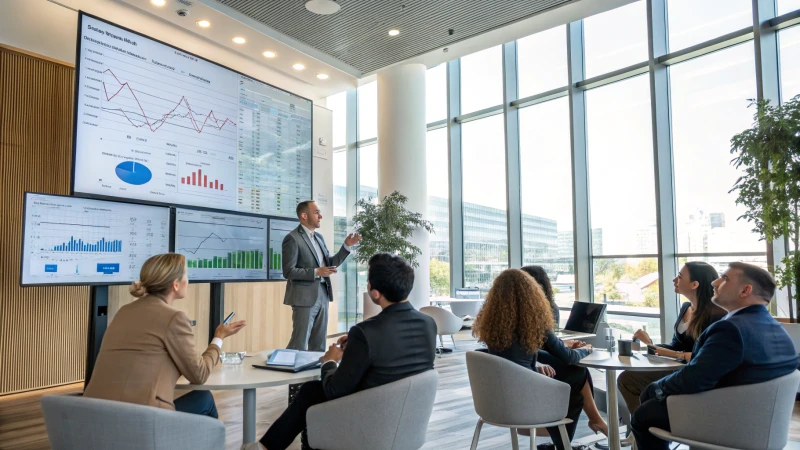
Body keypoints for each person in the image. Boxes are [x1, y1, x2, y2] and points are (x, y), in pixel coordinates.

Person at [258, 253, 437, 450]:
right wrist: (358, 346)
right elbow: (395, 350)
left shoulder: (365, 332)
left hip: (369, 420)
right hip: (407, 421)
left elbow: (334, 390)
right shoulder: (428, 323)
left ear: (375, 293)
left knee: (311, 391)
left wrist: (330, 361)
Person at [631, 262, 799, 450]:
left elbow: (695, 378)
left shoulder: (730, 329)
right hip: (759, 421)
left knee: (642, 415)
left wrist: (655, 389)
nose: (714, 283)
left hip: (727, 419)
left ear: (745, 290)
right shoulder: (775, 328)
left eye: (725, 278)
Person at [83, 253, 246, 417]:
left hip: (95, 416)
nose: (188, 281)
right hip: (141, 420)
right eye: (186, 275)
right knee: (204, 399)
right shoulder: (175, 318)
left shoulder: (123, 311)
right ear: (175, 285)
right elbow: (200, 375)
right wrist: (219, 337)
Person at [472, 268, 593, 450]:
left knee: (571, 377)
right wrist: (587, 349)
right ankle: (563, 445)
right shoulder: (536, 325)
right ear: (532, 294)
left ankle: (563, 442)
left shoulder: (491, 326)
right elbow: (569, 357)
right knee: (575, 383)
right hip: (527, 400)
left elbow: (508, 361)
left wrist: (535, 364)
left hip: (496, 401)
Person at [617, 262, 725, 417]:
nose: (674, 280)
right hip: (680, 366)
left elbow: (705, 357)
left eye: (680, 277)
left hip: (694, 372)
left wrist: (675, 355)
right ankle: (643, 427)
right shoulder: (686, 307)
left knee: (629, 379)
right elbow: (676, 345)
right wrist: (649, 344)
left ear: (694, 284)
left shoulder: (715, 315)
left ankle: (645, 426)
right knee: (627, 378)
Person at [520, 265, 608, 438]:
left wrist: (561, 343)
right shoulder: (539, 313)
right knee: (577, 370)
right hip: (531, 365)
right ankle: (592, 421)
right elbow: (567, 357)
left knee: (577, 376)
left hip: (521, 365)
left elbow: (536, 342)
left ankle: (587, 423)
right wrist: (585, 349)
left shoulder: (509, 314)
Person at [283, 200, 360, 351]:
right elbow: (288, 271)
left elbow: (329, 263)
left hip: (323, 294)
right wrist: (316, 272)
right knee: (299, 342)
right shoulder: (292, 239)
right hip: (304, 297)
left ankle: (318, 373)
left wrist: (346, 246)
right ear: (304, 216)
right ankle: (288, 370)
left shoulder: (319, 238)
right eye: (317, 212)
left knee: (319, 343)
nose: (321, 216)